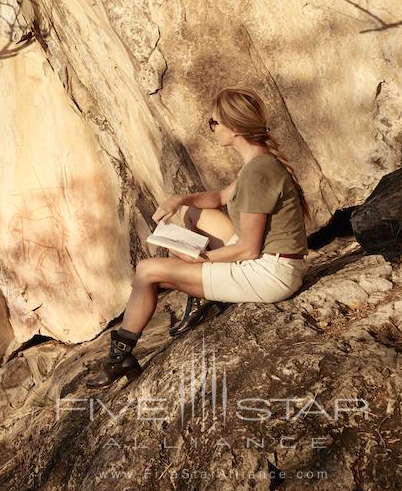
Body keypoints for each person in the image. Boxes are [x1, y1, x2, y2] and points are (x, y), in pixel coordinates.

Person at [86, 87, 312, 389]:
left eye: (214, 122)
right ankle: (199, 288)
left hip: (270, 274)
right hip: (269, 260)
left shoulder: (258, 173)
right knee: (192, 214)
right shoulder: (258, 163)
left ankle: (119, 357)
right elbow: (220, 196)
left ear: (233, 128)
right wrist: (180, 200)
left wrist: (200, 259)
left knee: (147, 271)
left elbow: (247, 249)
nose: (212, 128)